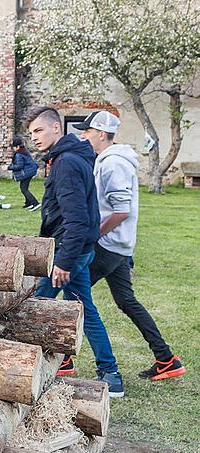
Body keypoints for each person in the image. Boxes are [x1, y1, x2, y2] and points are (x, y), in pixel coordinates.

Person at [74, 110, 185, 381]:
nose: (83, 135)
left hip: (109, 245)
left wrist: (93, 236)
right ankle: (166, 359)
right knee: (126, 301)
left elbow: (121, 211)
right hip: (119, 246)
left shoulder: (113, 163)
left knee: (74, 296)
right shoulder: (109, 160)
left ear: (101, 134)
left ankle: (69, 361)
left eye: (87, 131)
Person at [26, 105, 124, 397]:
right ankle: (110, 372)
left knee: (35, 307)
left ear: (57, 128)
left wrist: (63, 262)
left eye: (39, 130)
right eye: (31, 134)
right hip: (78, 250)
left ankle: (28, 365)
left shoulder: (67, 162)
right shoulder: (69, 157)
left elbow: (77, 219)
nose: (35, 138)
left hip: (69, 253)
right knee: (84, 309)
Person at [7, 136, 40, 210]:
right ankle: (28, 203)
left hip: (27, 172)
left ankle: (35, 203)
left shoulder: (19, 154)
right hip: (30, 171)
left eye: (13, 147)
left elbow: (19, 166)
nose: (13, 149)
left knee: (24, 189)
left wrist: (9, 167)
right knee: (24, 188)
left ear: (18, 146)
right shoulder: (24, 151)